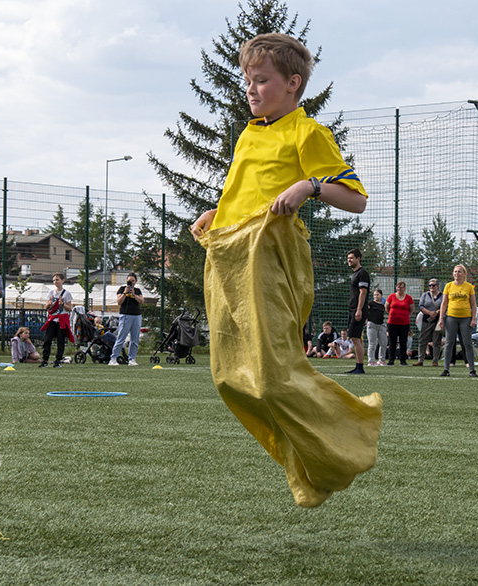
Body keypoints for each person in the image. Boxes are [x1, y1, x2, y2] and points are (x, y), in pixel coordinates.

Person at [189, 33, 382, 507]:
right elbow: (245, 189)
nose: (250, 89)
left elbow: (355, 200)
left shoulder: (307, 132)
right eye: (246, 80)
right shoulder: (249, 133)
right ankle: (308, 466)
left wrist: (309, 186)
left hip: (271, 260)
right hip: (229, 254)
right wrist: (219, 212)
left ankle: (354, 428)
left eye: (261, 80)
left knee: (273, 377)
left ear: (292, 83)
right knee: (230, 377)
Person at [438, 264, 478, 377]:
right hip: (451, 317)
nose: (457, 273)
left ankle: (472, 370)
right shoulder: (449, 286)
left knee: (467, 343)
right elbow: (444, 303)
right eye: (455, 271)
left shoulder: (469, 287)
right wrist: (441, 318)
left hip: (466, 318)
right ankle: (446, 369)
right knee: (449, 343)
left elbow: (473, 304)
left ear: (464, 274)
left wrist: (473, 318)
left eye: (459, 272)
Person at [108, 272, 144, 367]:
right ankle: (113, 358)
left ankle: (132, 359)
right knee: (121, 338)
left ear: (135, 281)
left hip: (136, 316)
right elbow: (119, 302)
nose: (130, 283)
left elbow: (142, 301)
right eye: (129, 281)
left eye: (132, 281)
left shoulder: (137, 290)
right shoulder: (122, 289)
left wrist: (134, 295)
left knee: (134, 339)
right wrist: (125, 292)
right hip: (125, 315)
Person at [39, 272, 74, 368]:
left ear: (63, 280)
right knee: (47, 339)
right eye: (54, 280)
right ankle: (45, 359)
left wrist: (62, 304)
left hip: (61, 319)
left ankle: (58, 360)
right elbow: (47, 307)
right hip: (52, 319)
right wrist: (49, 303)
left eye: (57, 280)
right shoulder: (51, 293)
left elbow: (69, 308)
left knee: (60, 341)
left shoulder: (66, 293)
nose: (55, 282)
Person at [344, 249, 370, 374]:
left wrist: (359, 310)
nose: (349, 260)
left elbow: (363, 292)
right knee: (356, 338)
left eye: (351, 258)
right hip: (353, 309)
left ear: (358, 259)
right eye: (348, 258)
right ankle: (358, 366)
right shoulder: (355, 274)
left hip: (357, 309)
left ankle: (360, 367)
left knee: (355, 338)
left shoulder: (362, 273)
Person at [414, 279, 443, 367]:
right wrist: (429, 313)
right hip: (426, 320)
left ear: (437, 286)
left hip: (437, 321)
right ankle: (420, 359)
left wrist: (437, 312)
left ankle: (435, 360)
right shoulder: (425, 295)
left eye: (433, 285)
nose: (431, 287)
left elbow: (445, 305)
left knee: (436, 341)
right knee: (423, 340)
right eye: (430, 285)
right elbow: (421, 306)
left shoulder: (442, 296)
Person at [385, 281, 414, 366]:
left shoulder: (408, 298)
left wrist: (404, 315)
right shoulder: (391, 296)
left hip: (404, 323)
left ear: (404, 288)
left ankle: (403, 360)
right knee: (392, 341)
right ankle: (391, 360)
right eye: (398, 287)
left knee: (403, 341)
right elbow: (387, 307)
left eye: (401, 287)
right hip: (392, 322)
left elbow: (411, 310)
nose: (399, 289)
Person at [366, 289, 387, 366]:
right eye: (375, 295)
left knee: (383, 343)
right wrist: (366, 319)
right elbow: (366, 309)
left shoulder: (382, 305)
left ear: (381, 295)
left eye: (377, 295)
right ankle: (371, 360)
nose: (376, 296)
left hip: (381, 325)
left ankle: (381, 359)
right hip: (372, 325)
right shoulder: (371, 303)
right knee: (372, 343)